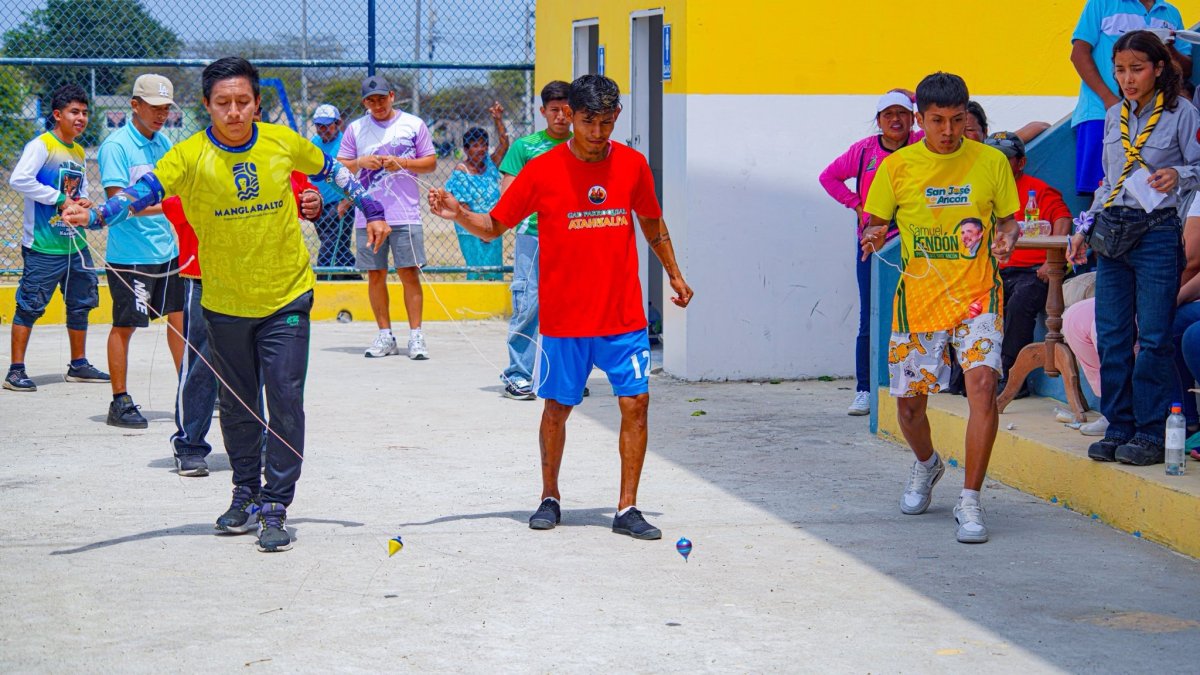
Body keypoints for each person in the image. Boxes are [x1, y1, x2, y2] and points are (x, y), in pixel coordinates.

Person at [65, 57, 389, 552]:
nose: (234, 112)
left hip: (285, 296)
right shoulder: (189, 155)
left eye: (243, 101)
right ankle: (246, 493)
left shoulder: (283, 142)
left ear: (257, 103)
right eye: (223, 103)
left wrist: (374, 208)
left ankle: (276, 502)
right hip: (223, 302)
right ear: (207, 106)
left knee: (285, 398)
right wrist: (96, 216)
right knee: (237, 407)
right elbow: (141, 192)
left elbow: (335, 172)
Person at [427, 74, 694, 540]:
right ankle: (549, 496)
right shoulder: (542, 170)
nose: (597, 132)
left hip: (622, 317)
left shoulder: (633, 165)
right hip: (565, 320)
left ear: (617, 117)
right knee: (557, 408)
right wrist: (459, 213)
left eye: (606, 122)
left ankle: (627, 508)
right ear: (570, 116)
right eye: (588, 122)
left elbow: (652, 222)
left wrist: (674, 272)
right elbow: (493, 226)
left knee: (636, 403)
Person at [860, 72, 1020, 544]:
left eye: (956, 120)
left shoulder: (991, 161)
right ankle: (927, 464)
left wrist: (1007, 238)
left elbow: (1008, 222)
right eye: (936, 121)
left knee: (982, 386)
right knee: (909, 410)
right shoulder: (897, 167)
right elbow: (875, 222)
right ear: (919, 120)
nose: (948, 131)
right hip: (919, 300)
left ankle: (970, 500)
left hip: (978, 296)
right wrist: (872, 235)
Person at [1067, 30, 1200, 466]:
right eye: (1120, 70)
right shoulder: (1114, 116)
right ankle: (1119, 426)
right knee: (1113, 335)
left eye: (1136, 69)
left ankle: (1150, 432)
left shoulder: (1182, 113)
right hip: (1113, 230)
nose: (1127, 78)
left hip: (1158, 230)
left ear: (1158, 68)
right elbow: (1108, 183)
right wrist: (1084, 227)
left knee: (1155, 337)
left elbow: (1199, 166)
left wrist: (1179, 175)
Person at [819, 90, 920, 416]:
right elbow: (829, 177)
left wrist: (916, 95)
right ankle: (864, 389)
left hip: (913, 242)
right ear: (878, 120)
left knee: (914, 313)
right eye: (888, 114)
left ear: (912, 118)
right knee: (870, 315)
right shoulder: (864, 151)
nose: (895, 120)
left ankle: (913, 383)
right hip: (873, 244)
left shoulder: (921, 144)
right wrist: (856, 204)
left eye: (902, 113)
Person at [5, 84, 109, 392]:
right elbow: (19, 179)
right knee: (30, 305)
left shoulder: (78, 151)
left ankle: (79, 365)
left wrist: (83, 202)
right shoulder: (42, 146)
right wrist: (58, 199)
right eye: (74, 112)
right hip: (44, 245)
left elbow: (78, 190)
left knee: (81, 302)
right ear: (57, 115)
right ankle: (15, 371)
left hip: (74, 244)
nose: (81, 118)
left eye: (85, 113)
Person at [96, 74, 184, 428]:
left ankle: (189, 389)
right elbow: (117, 205)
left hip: (166, 250)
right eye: (155, 107)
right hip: (130, 256)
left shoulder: (163, 143)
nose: (162, 114)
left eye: (166, 108)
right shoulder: (116, 146)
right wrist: (170, 206)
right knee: (126, 326)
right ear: (135, 105)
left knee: (180, 322)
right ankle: (119, 401)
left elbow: (175, 189)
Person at [338, 76, 438, 360]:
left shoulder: (413, 124)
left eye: (382, 98)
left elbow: (430, 162)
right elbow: (339, 167)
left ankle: (416, 335)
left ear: (392, 96)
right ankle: (385, 334)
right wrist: (360, 162)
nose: (377, 104)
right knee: (375, 274)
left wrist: (402, 163)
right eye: (371, 100)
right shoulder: (356, 129)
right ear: (364, 102)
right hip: (368, 214)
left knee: (409, 272)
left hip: (405, 212)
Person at [495, 80, 573, 401]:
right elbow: (508, 195)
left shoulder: (582, 146)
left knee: (568, 308)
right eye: (554, 110)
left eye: (566, 110)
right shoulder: (525, 147)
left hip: (573, 237)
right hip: (534, 236)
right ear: (542, 111)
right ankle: (518, 375)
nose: (561, 116)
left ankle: (563, 375)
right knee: (528, 304)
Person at [1070, 0, 1192, 196]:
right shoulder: (1101, 4)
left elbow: (1186, 69)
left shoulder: (1171, 13)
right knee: (1101, 189)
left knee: (1154, 187)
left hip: (1155, 116)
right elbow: (1078, 54)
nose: (1128, 77)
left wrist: (1167, 47)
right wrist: (1108, 99)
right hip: (1101, 112)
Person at [983, 131, 1074, 395]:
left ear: (1020, 163)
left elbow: (1063, 219)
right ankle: (970, 375)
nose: (997, 164)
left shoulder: (1039, 189)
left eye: (1005, 158)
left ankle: (1012, 378)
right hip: (996, 270)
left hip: (1034, 272)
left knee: (1020, 301)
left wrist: (1052, 261)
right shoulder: (983, 191)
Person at [445, 102, 510, 281]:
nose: (481, 150)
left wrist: (498, 119)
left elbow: (504, 144)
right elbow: (463, 206)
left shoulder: (490, 164)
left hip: (492, 226)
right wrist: (480, 230)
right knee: (476, 272)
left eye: (484, 145)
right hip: (470, 230)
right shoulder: (461, 172)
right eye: (475, 145)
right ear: (466, 149)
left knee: (494, 272)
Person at [310, 103, 356, 279]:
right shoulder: (314, 143)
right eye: (318, 125)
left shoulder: (346, 144)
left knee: (329, 250)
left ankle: (322, 284)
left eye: (327, 125)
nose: (322, 130)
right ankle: (355, 281)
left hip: (340, 204)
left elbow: (357, 176)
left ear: (338, 123)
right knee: (339, 250)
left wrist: (346, 202)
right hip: (320, 205)